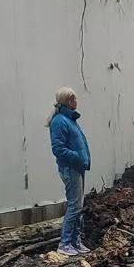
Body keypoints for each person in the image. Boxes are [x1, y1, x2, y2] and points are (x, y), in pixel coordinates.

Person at [47, 86, 92, 256]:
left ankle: (75, 241)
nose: (76, 102)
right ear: (66, 102)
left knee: (78, 206)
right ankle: (64, 243)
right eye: (72, 99)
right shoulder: (60, 121)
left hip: (78, 167)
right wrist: (77, 158)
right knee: (74, 206)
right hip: (70, 168)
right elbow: (58, 148)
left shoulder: (70, 120)